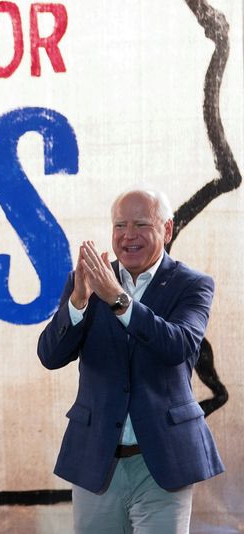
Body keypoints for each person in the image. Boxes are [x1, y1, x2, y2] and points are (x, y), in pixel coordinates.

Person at [37, 188, 224, 533]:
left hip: (163, 463)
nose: (128, 236)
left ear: (167, 230)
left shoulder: (192, 284)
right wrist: (78, 302)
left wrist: (119, 300)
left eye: (141, 224)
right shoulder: (85, 281)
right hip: (97, 460)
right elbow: (50, 355)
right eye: (120, 225)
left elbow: (178, 346)